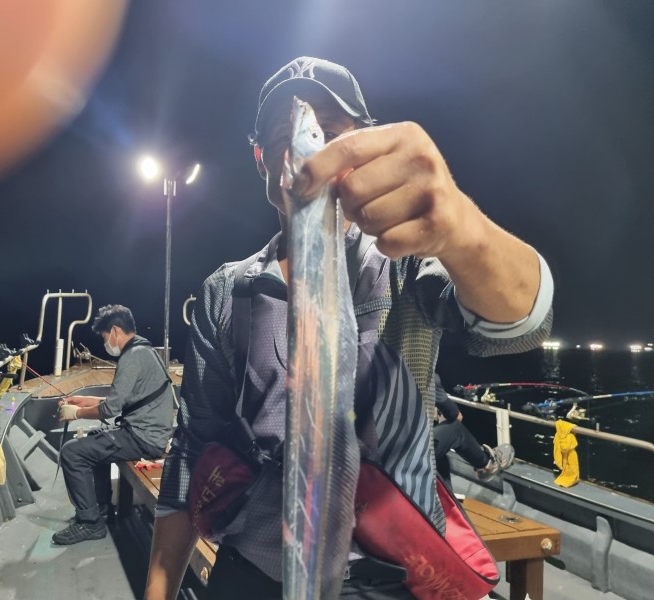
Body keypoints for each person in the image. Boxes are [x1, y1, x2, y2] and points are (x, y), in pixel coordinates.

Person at [145, 57, 554, 600]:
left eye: (330, 134)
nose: (303, 153)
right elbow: (193, 446)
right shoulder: (227, 290)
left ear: (365, 147)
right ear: (261, 158)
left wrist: (462, 227)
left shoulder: (404, 260)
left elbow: (521, 327)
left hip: (394, 580)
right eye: (283, 137)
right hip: (256, 572)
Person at [52, 304, 174, 545]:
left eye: (105, 336)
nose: (106, 343)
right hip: (146, 431)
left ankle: (90, 523)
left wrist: (75, 413)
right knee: (95, 438)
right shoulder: (144, 350)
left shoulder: (132, 356)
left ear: (116, 330)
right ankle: (101, 508)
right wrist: (81, 400)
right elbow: (121, 401)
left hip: (144, 438)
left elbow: (110, 409)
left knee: (72, 452)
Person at [432, 373, 514, 487]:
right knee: (456, 429)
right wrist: (451, 412)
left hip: (406, 447)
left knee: (440, 461)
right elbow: (454, 414)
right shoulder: (418, 367)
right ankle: (488, 465)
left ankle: (442, 496)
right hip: (412, 452)